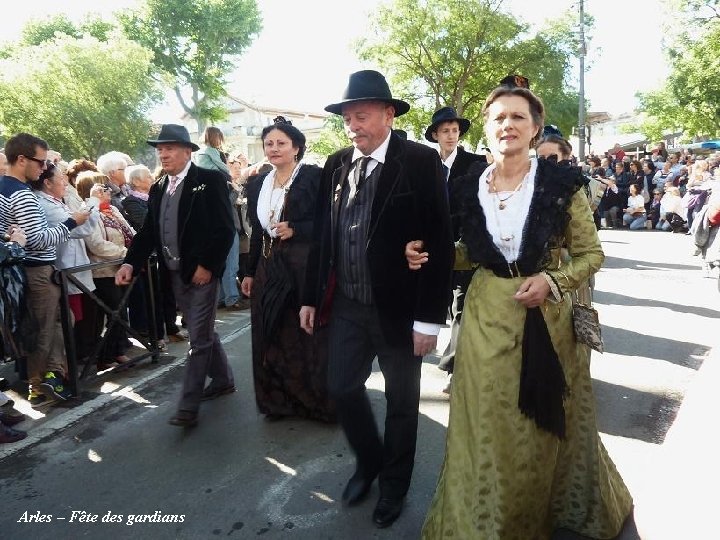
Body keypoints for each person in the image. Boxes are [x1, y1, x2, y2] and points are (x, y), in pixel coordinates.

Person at [406, 83, 632, 539]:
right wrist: (430, 254)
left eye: (517, 118)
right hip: (487, 314)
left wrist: (552, 281)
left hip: (548, 321)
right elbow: (474, 252)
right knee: (487, 424)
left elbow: (590, 255)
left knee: (539, 426)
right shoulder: (471, 185)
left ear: (533, 129)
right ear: (487, 129)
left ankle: (539, 514)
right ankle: (487, 521)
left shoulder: (560, 184)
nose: (507, 125)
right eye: (498, 118)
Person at [299, 70, 454, 528]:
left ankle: (394, 486)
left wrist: (429, 320)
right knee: (342, 388)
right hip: (347, 304)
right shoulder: (337, 164)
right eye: (348, 118)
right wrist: (310, 296)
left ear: (388, 114)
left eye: (361, 115)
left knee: (403, 404)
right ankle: (369, 460)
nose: (353, 125)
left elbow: (439, 242)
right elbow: (325, 238)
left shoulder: (420, 162)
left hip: (400, 310)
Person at [115, 124, 235, 428]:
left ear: (187, 151)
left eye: (169, 148)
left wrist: (207, 265)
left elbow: (224, 229)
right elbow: (149, 232)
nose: (163, 154)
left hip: (202, 274)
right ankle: (222, 379)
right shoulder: (157, 188)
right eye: (160, 149)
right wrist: (130, 263)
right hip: (175, 273)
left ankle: (188, 404)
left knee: (198, 336)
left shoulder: (209, 180)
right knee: (203, 330)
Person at [240, 118, 333, 422]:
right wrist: (251, 272)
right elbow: (257, 232)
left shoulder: (313, 178)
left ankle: (315, 402)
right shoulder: (258, 183)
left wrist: (296, 228)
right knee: (271, 333)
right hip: (269, 266)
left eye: (281, 143)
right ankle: (277, 401)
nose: (274, 148)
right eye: (269, 143)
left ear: (296, 148)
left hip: (303, 267)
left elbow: (329, 222)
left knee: (305, 335)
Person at [0, 133, 89, 406]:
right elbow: (37, 240)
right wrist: (71, 222)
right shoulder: (21, 194)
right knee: (44, 329)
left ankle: (50, 376)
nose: (43, 168)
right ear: (22, 159)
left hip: (27, 268)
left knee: (59, 322)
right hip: (36, 269)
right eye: (41, 162)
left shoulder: (5, 188)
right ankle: (40, 386)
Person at [424, 106, 486, 391]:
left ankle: (455, 367)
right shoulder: (425, 164)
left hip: (464, 246)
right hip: (431, 248)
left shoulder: (475, 163)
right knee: (440, 304)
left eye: (454, 131)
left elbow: (479, 208)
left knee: (462, 307)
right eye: (445, 131)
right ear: (435, 134)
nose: (450, 135)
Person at [31, 163, 99, 343]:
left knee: (78, 319)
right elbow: (80, 229)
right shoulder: (45, 205)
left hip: (73, 268)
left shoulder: (55, 202)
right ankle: (66, 366)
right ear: (47, 183)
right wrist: (93, 202)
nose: (65, 184)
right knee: (69, 323)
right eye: (61, 179)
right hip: (65, 269)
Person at [77, 173, 135, 371]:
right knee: (113, 312)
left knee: (120, 312)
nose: (109, 191)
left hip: (119, 268)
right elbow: (96, 245)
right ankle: (105, 355)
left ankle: (117, 351)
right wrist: (125, 253)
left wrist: (136, 252)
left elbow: (129, 231)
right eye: (104, 188)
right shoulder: (87, 212)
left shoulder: (112, 210)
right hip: (102, 271)